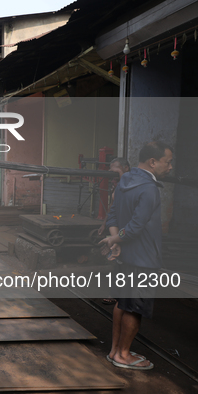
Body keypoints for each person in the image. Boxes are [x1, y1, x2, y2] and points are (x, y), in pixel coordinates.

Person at [100, 141, 173, 371]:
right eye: (167, 162)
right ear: (153, 162)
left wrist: (115, 241)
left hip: (126, 257)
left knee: (123, 301)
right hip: (143, 260)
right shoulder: (149, 189)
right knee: (134, 307)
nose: (170, 167)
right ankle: (123, 355)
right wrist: (116, 240)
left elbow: (112, 216)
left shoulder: (124, 180)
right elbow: (135, 227)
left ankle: (114, 350)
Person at [98, 157, 130, 305]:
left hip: (130, 233)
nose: (112, 177)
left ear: (126, 169)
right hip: (120, 232)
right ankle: (116, 293)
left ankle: (125, 295)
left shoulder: (135, 188)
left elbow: (136, 224)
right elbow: (112, 210)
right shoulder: (117, 188)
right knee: (118, 263)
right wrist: (111, 233)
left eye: (115, 172)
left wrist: (115, 238)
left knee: (128, 265)